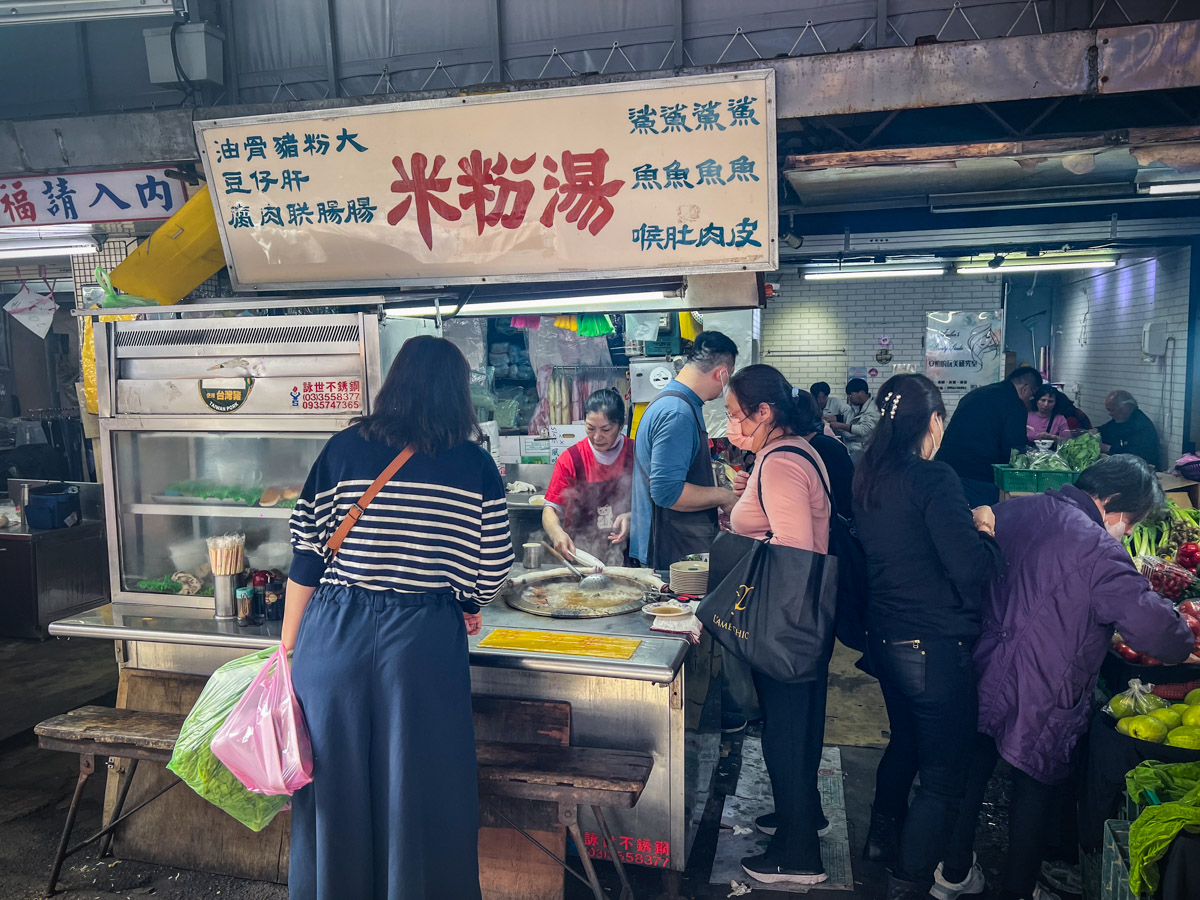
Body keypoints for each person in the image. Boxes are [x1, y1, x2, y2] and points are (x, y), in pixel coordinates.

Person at [282, 336, 514, 900]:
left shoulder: (341, 450)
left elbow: (306, 556)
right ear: (457, 394)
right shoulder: (474, 464)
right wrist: (467, 604)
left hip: (332, 635)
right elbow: (492, 567)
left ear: (394, 384)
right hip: (422, 642)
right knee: (420, 784)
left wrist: (289, 648)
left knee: (332, 786)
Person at [934, 455, 1194, 900]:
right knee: (1033, 789)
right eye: (1129, 521)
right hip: (1045, 688)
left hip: (982, 666)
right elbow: (1161, 636)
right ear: (1110, 502)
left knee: (970, 774)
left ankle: (951, 875)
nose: (1127, 532)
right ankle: (1017, 891)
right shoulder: (1099, 551)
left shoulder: (1012, 511)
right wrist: (1183, 631)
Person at [852, 373, 1005, 900]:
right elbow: (969, 568)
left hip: (887, 639)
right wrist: (983, 526)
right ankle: (908, 883)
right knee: (943, 778)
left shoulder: (868, 473)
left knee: (906, 745)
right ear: (935, 422)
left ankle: (880, 842)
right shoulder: (934, 478)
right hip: (934, 648)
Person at [724, 365, 833, 887]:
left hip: (786, 622)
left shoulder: (782, 464)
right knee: (800, 730)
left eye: (734, 415)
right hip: (802, 619)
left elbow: (795, 550)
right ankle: (802, 817)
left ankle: (798, 856)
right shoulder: (786, 452)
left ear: (764, 413)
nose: (730, 425)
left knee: (786, 738)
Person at [631, 330, 738, 569]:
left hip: (674, 540)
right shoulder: (677, 413)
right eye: (729, 377)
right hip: (668, 547)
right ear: (721, 373)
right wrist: (725, 497)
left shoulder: (676, 402)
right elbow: (667, 492)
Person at [543, 388, 634, 567]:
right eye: (590, 428)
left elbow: (655, 503)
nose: (597, 437)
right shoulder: (571, 458)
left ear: (621, 426)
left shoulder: (636, 453)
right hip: (580, 555)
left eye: (606, 429)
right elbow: (551, 510)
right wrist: (557, 533)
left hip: (627, 556)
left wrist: (634, 517)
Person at [936, 365, 1043, 507]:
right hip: (977, 477)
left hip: (945, 469)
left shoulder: (978, 393)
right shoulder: (1014, 405)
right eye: (1032, 397)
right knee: (981, 523)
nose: (1032, 403)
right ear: (1025, 389)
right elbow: (1013, 450)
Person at [1098, 390, 1161, 469]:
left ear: (1126, 407)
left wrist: (1107, 448)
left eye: (1112, 410)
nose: (1110, 414)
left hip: (1141, 470)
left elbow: (1134, 454)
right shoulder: (1122, 418)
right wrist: (1095, 430)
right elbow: (1106, 429)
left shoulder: (1142, 426)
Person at [827, 378, 881, 464]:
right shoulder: (855, 407)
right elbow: (848, 419)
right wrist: (832, 418)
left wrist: (840, 426)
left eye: (851, 395)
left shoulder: (874, 409)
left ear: (862, 393)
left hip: (864, 451)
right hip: (850, 448)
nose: (849, 398)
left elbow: (864, 430)